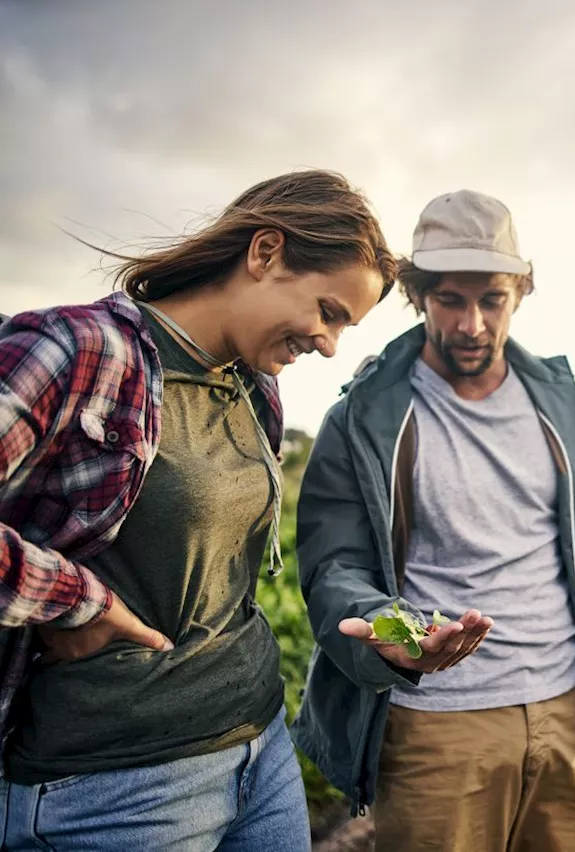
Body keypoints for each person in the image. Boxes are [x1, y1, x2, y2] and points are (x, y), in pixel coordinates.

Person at [0, 169, 397, 851]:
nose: (330, 344)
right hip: (109, 789)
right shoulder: (77, 349)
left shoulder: (257, 389)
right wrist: (74, 599)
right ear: (265, 252)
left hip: (259, 751)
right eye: (329, 312)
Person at [292, 189, 575, 851]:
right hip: (435, 726)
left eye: (491, 299)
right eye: (450, 300)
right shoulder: (362, 417)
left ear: (519, 292)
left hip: (570, 712)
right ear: (417, 295)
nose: (472, 325)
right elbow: (331, 568)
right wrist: (381, 629)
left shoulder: (570, 406)